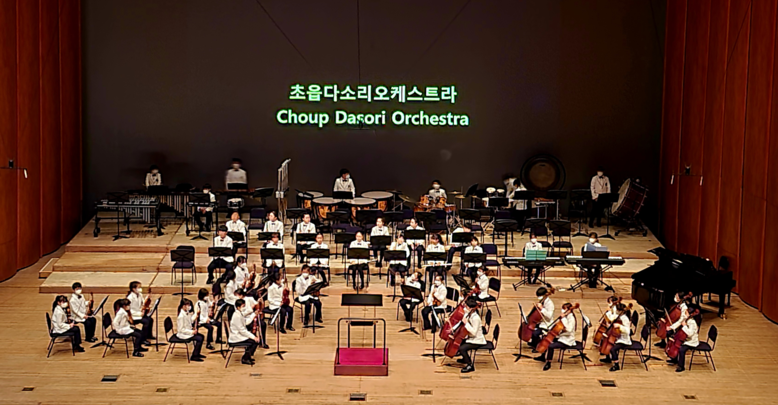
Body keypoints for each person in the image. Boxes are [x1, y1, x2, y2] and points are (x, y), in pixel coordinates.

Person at [534, 302, 577, 371]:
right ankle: (543, 356)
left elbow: (569, 330)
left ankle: (548, 362)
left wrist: (563, 318)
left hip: (567, 340)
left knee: (551, 346)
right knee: (546, 338)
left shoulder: (571, 318)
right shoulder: (566, 316)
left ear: (569, 310)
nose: (562, 311)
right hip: (562, 337)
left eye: (564, 309)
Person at [667, 304, 700, 372]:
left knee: (682, 349)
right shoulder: (686, 318)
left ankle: (681, 366)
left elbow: (690, 334)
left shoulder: (692, 322)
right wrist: (671, 327)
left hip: (691, 341)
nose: (685, 313)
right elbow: (679, 322)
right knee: (674, 340)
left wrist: (684, 326)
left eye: (686, 312)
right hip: (685, 338)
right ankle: (674, 359)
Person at [600, 302, 631, 372]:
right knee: (604, 340)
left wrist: (620, 326)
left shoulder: (625, 319)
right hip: (617, 337)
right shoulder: (618, 316)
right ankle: (608, 358)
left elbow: (627, 331)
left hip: (623, 340)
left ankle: (616, 365)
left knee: (613, 349)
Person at [457, 298, 486, 373]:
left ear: (470, 308)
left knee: (462, 348)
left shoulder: (476, 318)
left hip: (477, 340)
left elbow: (474, 332)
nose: (465, 308)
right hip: (470, 337)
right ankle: (465, 358)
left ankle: (470, 365)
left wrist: (466, 323)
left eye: (466, 306)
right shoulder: (469, 313)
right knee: (458, 343)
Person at [228, 299, 259, 365]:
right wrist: (253, 337)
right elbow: (242, 330)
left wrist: (253, 314)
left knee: (253, 341)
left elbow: (245, 322)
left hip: (239, 335)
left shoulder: (239, 314)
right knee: (253, 342)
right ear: (238, 307)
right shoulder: (237, 316)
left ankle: (247, 356)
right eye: (243, 306)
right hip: (236, 338)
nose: (244, 307)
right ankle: (245, 358)